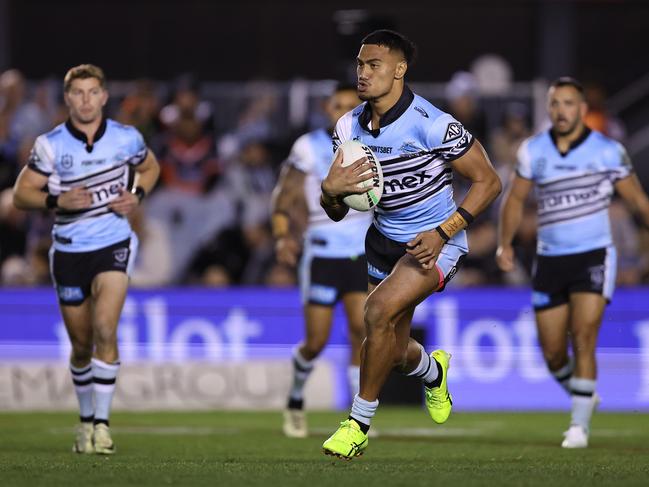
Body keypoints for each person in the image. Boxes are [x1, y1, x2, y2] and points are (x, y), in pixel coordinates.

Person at [319, 30, 501, 459]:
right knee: (392, 349)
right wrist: (328, 191)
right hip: (383, 242)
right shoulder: (347, 128)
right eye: (360, 64)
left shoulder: (432, 123)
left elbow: (489, 181)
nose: (363, 73)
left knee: (375, 313)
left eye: (374, 65)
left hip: (436, 243)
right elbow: (337, 210)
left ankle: (357, 425)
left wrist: (443, 232)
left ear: (399, 70)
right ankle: (433, 371)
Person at [12, 64, 160, 454]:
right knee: (81, 344)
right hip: (68, 249)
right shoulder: (51, 145)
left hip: (113, 242)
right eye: (78, 93)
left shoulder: (127, 138)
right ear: (68, 98)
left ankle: (102, 426)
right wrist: (54, 200)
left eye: (93, 92)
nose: (86, 100)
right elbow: (20, 194)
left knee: (106, 329)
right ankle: (84, 420)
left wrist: (137, 195)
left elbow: (150, 168)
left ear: (104, 96)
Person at [496, 77, 649, 448]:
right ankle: (583, 393)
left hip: (594, 255)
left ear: (582, 110)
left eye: (568, 103)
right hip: (550, 260)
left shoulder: (608, 151)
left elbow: (637, 201)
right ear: (548, 110)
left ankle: (578, 426)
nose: (561, 111)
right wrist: (505, 243)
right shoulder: (533, 151)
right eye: (555, 104)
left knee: (584, 336)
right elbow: (515, 200)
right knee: (551, 353)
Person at [271, 84, 370, 438]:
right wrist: (283, 236)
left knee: (363, 331)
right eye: (336, 106)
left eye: (350, 105)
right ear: (327, 110)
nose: (343, 111)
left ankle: (358, 414)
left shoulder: (376, 144)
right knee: (316, 342)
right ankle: (296, 399)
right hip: (323, 251)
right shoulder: (309, 146)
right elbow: (285, 194)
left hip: (363, 250)